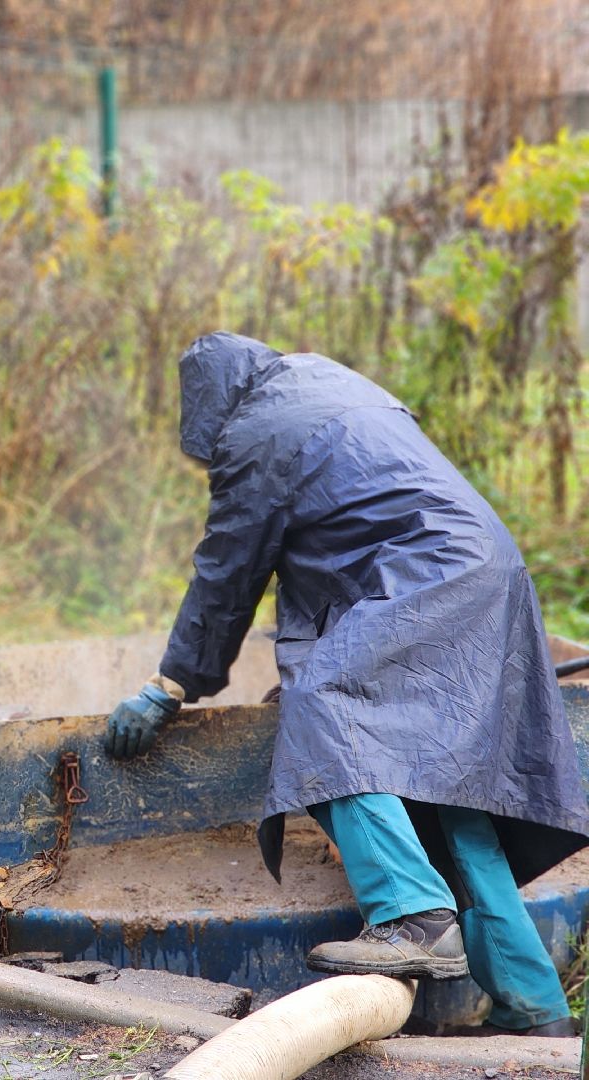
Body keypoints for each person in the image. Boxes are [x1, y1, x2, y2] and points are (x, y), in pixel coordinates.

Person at [106, 331, 588, 1037]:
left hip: (427, 576)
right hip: (486, 571)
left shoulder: (256, 432)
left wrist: (171, 681)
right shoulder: (325, 383)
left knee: (327, 706)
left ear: (207, 407)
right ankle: (537, 1009)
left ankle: (411, 916)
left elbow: (227, 572)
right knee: (452, 793)